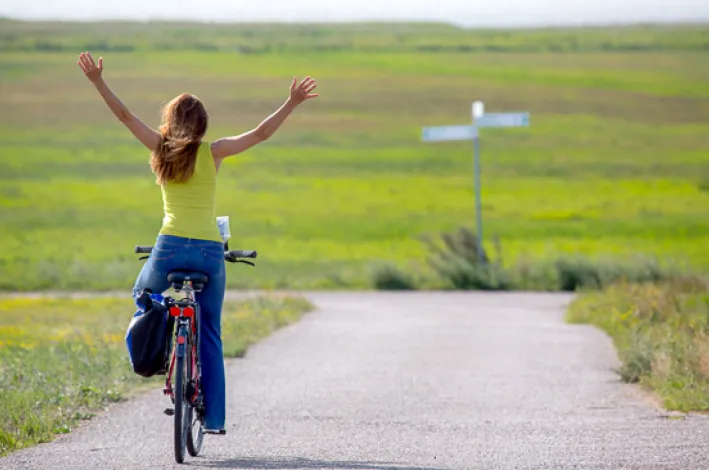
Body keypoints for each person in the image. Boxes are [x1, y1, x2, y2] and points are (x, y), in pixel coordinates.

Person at [77, 51, 318, 434]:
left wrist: (97, 81)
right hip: (208, 251)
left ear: (169, 122)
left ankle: (155, 344)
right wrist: (291, 102)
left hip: (168, 246)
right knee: (210, 332)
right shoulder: (214, 152)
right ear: (204, 124)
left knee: (144, 292)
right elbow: (259, 134)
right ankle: (215, 420)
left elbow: (124, 117)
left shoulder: (160, 149)